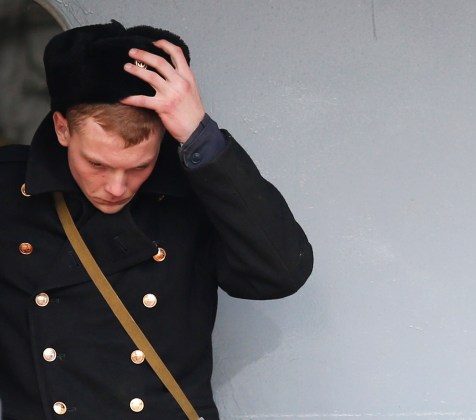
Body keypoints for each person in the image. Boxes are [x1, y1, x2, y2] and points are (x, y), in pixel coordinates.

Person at [0, 21, 313, 419]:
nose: (116, 187)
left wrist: (201, 137)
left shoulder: (191, 191)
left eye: (138, 167)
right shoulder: (9, 194)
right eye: (97, 163)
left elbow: (282, 271)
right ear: (63, 129)